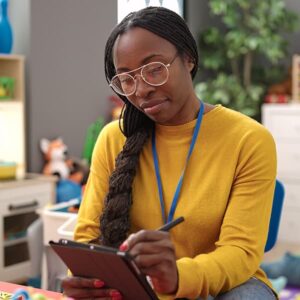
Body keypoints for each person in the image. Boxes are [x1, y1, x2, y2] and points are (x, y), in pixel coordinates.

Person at [62, 6, 277, 300]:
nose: (141, 90)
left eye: (154, 69)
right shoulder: (114, 138)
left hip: (227, 283)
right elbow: (88, 238)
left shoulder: (248, 140)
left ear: (189, 58)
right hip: (138, 282)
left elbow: (240, 252)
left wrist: (178, 278)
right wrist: (85, 278)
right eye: (127, 79)